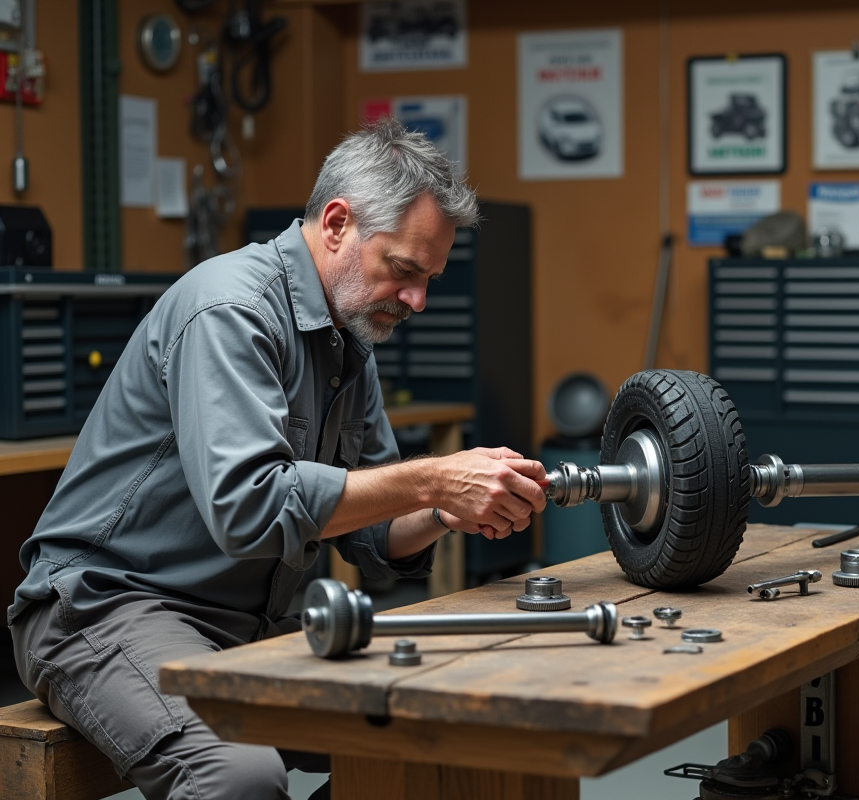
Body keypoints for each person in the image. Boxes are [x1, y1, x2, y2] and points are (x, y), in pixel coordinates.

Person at [6, 118, 547, 800]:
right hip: (104, 609)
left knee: (431, 727)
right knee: (236, 777)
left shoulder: (350, 339)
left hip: (240, 625)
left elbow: (372, 530)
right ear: (337, 223)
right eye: (404, 270)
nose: (418, 300)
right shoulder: (231, 309)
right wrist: (435, 474)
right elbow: (251, 510)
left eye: (429, 279)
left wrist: (443, 508)